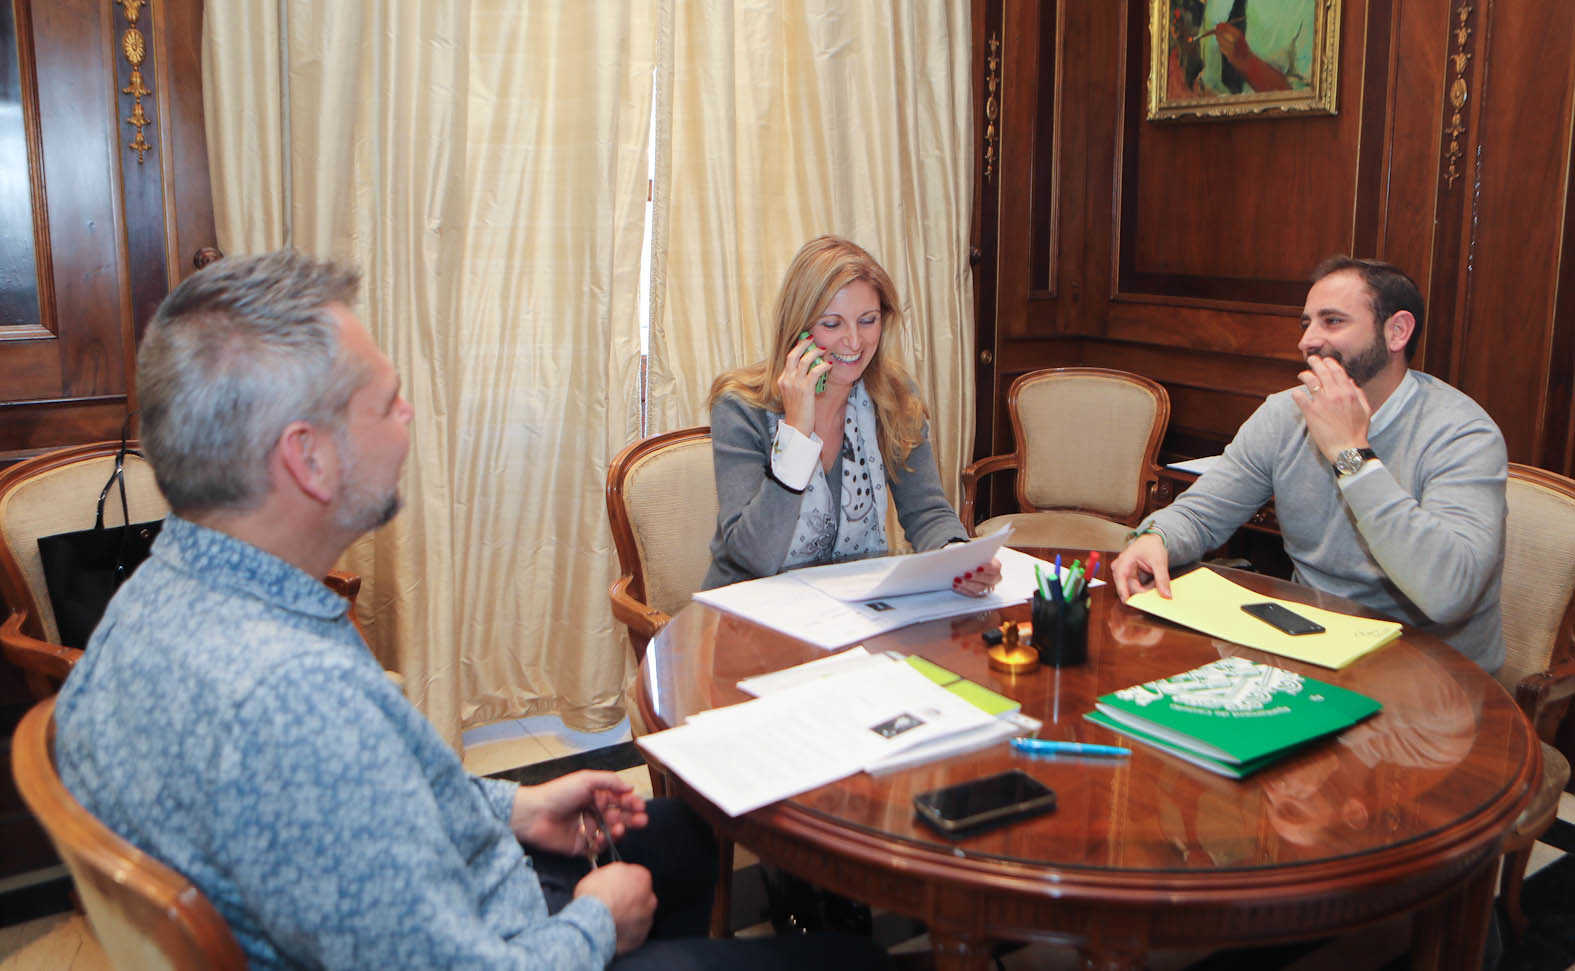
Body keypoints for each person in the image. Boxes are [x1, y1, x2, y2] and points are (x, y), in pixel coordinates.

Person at [52, 250, 888, 970]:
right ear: (305, 457)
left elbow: (377, 802)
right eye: (387, 401)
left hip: (458, 886)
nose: (410, 418)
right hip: (511, 939)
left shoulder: (161, 598)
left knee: (676, 836)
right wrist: (596, 920)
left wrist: (515, 805)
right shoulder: (291, 702)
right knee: (852, 957)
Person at [1111, 256, 1508, 672]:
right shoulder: (1286, 414)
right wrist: (1157, 537)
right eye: (1306, 324)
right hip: (1310, 648)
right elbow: (1202, 513)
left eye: (1332, 322)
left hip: (1433, 675)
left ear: (1397, 332)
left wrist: (1350, 453)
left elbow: (1448, 592)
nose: (1307, 341)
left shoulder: (1463, 434)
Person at [703, 235, 998, 594]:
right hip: (749, 611)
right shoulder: (740, 407)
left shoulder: (893, 396)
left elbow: (927, 513)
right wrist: (796, 434)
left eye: (867, 320)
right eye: (832, 324)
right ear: (797, 330)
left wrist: (957, 560)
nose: (855, 342)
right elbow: (754, 557)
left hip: (853, 606)